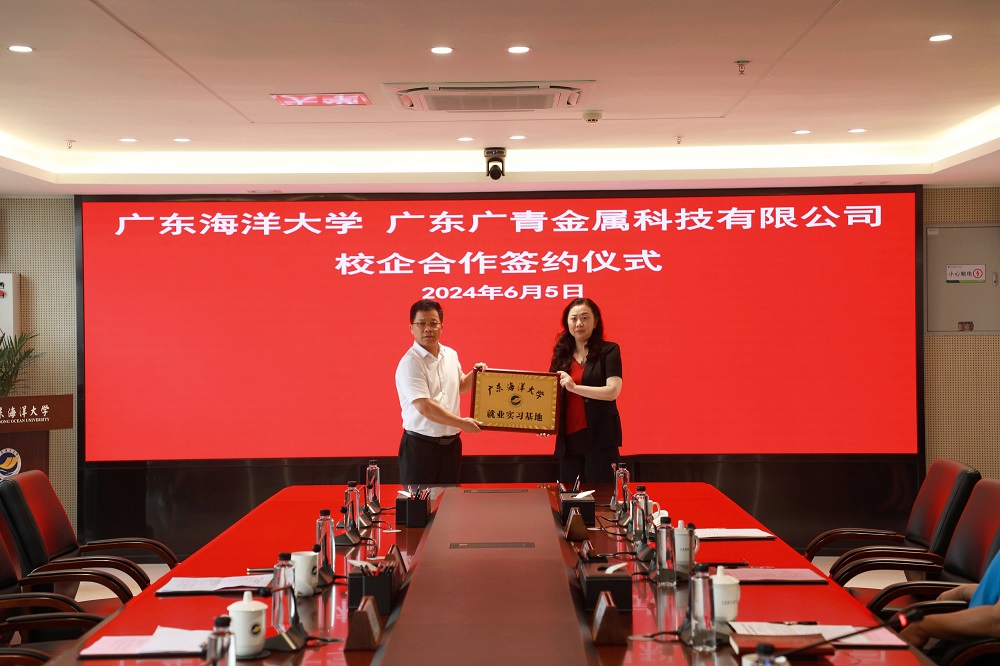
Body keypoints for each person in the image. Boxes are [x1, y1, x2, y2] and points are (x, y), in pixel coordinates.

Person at [395, 299, 483, 486]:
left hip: (451, 447)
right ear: (411, 328)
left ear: (442, 327)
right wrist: (461, 423)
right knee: (419, 502)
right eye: (421, 323)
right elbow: (424, 407)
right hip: (421, 448)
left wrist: (477, 375)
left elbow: (459, 386)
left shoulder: (450, 354)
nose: (428, 328)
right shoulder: (411, 362)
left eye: (433, 323)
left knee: (451, 501)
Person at [548, 297, 623, 485]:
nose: (579, 323)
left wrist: (575, 388)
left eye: (584, 318)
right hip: (569, 441)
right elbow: (550, 396)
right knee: (569, 496)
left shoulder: (609, 351)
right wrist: (544, 423)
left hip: (600, 437)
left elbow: (612, 391)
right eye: (573, 318)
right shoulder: (561, 356)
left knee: (602, 497)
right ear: (567, 322)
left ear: (595, 321)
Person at [899, 549, 1000, 652]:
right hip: (967, 642)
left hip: (977, 651)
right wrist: (962, 591)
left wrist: (921, 627)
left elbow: (997, 621)